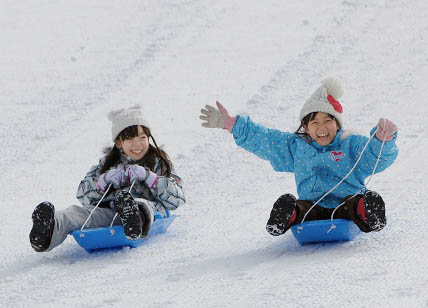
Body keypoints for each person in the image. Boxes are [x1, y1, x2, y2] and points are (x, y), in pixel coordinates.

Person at [200, 77, 398, 236]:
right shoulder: (296, 147)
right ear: (305, 127)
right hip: (312, 208)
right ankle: (287, 215)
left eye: (328, 120)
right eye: (314, 123)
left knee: (356, 202)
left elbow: (374, 158)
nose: (321, 128)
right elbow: (265, 140)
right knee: (300, 209)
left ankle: (368, 210)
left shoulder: (351, 144)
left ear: (337, 124)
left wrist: (382, 141)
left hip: (346, 204)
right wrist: (234, 125)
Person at [30, 105, 185, 252]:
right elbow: (83, 196)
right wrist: (102, 182)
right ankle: (49, 229)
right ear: (118, 143)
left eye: (142, 137)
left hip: (150, 212)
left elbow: (178, 199)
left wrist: (150, 178)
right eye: (130, 139)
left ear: (149, 138)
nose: (137, 144)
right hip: (111, 214)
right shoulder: (106, 165)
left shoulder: (159, 162)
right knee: (79, 213)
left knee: (141, 204)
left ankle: (134, 220)